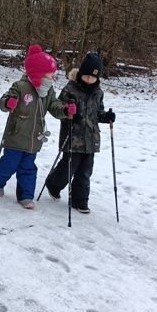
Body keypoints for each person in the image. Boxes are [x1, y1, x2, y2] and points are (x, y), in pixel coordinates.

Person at [0, 44, 75, 210]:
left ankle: (25, 195)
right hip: (16, 135)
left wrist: (65, 110)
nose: (53, 77)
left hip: (34, 139)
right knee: (9, 164)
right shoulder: (20, 87)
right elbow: (3, 100)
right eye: (50, 74)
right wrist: (9, 103)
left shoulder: (48, 91)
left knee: (28, 168)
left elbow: (55, 106)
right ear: (39, 73)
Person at [44, 53, 116, 213]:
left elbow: (98, 113)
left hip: (91, 139)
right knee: (68, 167)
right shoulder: (70, 89)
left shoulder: (98, 92)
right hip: (72, 137)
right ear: (81, 73)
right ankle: (53, 184)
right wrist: (68, 112)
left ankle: (80, 200)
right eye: (87, 76)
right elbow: (60, 108)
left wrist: (107, 117)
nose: (90, 79)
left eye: (93, 77)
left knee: (85, 172)